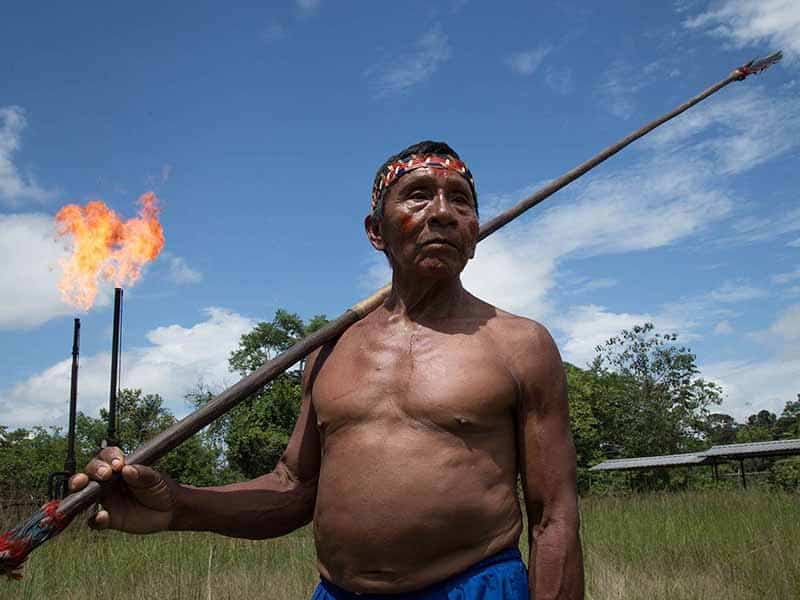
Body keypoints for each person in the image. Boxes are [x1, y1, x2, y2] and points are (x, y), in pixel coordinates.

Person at [70, 141, 584, 599]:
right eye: (419, 195)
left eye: (461, 201)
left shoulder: (520, 344)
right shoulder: (328, 351)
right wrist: (179, 505)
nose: (443, 212)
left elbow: (553, 517)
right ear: (376, 231)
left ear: (474, 230)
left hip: (475, 584)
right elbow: (293, 488)